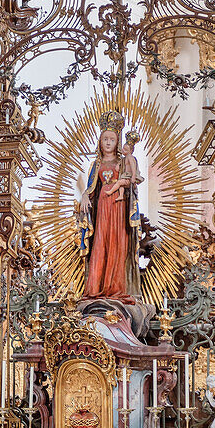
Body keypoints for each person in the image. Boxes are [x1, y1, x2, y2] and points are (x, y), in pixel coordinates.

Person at [78, 111, 141, 299]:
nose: (107, 143)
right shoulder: (96, 164)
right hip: (102, 208)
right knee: (100, 244)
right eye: (104, 139)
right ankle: (96, 288)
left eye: (111, 139)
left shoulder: (123, 162)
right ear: (100, 141)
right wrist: (84, 197)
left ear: (117, 142)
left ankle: (115, 288)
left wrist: (122, 183)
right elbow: (90, 187)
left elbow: (132, 180)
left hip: (119, 208)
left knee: (117, 244)